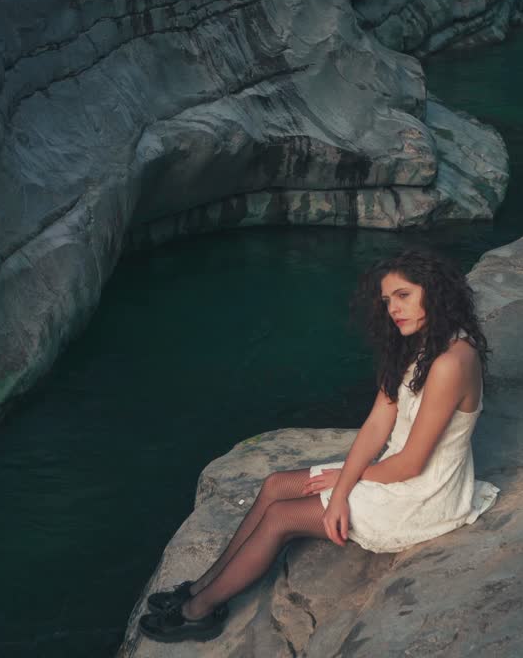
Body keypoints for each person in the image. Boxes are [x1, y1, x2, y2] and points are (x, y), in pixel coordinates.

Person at [137, 248, 501, 643]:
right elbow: (377, 422)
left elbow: (412, 464)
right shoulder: (416, 342)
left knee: (280, 517)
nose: (394, 309)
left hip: (422, 493)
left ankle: (197, 613)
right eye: (386, 301)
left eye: (403, 296)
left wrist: (343, 485)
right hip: (389, 471)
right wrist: (344, 481)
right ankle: (202, 586)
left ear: (434, 291)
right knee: (277, 484)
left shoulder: (451, 362)